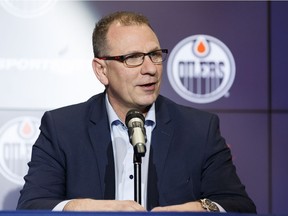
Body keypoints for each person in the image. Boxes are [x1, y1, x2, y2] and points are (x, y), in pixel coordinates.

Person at [17, 11, 256, 213]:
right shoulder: (62, 128)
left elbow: (239, 205)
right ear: (102, 70)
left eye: (154, 55)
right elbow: (31, 206)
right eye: (133, 58)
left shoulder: (199, 129)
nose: (150, 69)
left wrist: (200, 208)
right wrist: (85, 207)